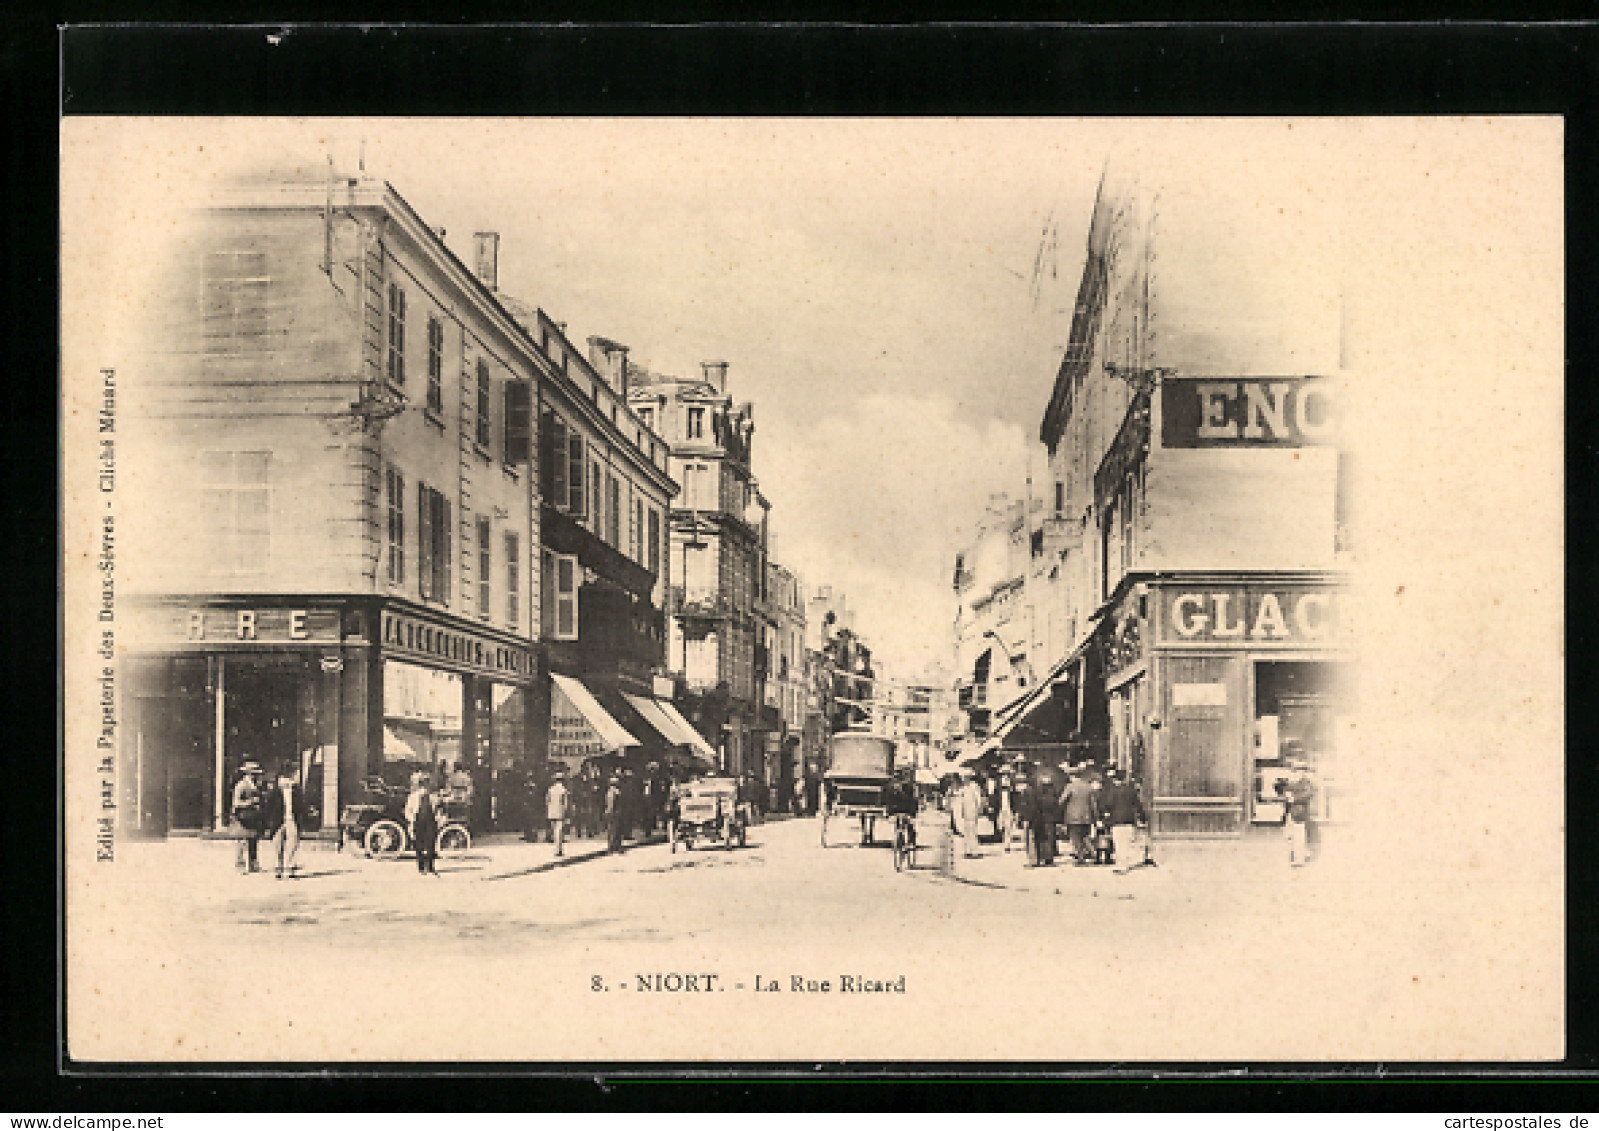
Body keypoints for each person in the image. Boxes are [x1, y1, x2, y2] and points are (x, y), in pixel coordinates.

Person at [260, 762, 308, 880]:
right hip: (278, 821)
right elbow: (268, 808)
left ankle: (289, 868)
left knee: (292, 843)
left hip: (292, 820)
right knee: (278, 845)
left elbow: (301, 806)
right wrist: (268, 823)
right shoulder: (275, 791)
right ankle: (278, 868)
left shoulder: (296, 790)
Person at [1099, 768, 1148, 867]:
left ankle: (1120, 864)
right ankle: (1125, 863)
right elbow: (1138, 805)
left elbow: (1107, 805)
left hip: (1116, 820)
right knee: (1127, 842)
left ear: (1115, 779)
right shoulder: (1131, 791)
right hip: (1129, 819)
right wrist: (1143, 818)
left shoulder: (1112, 791)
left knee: (1118, 843)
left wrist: (1104, 816)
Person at [1278, 761, 1318, 868]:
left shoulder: (1306, 783)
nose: (1296, 772)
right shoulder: (1294, 783)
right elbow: (1283, 790)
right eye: (1295, 770)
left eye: (1298, 770)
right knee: (1291, 835)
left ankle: (1299, 858)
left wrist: (1293, 798)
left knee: (1299, 835)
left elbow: (1308, 794)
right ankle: (1295, 857)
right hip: (1292, 812)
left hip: (1300, 812)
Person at [1060, 766, 1102, 866]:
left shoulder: (1070, 786)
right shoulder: (1088, 786)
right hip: (1087, 817)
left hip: (1073, 817)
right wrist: (1096, 817)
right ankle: (1094, 853)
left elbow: (1062, 800)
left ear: (1072, 776)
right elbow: (1093, 804)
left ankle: (1080, 858)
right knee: (1085, 836)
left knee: (1075, 838)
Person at [231, 761, 264, 873]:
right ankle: (240, 864)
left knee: (253, 840)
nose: (256, 776)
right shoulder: (241, 785)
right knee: (242, 841)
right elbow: (236, 803)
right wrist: (250, 802)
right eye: (254, 773)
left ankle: (253, 864)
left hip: (253, 817)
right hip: (243, 817)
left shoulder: (256, 785)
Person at [406, 774, 439, 876]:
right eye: (423, 785)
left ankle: (430, 867)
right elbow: (408, 810)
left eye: (426, 785)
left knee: (431, 844)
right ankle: (421, 867)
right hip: (418, 820)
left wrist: (438, 818)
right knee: (418, 843)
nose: (425, 788)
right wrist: (412, 820)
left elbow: (438, 810)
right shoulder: (413, 797)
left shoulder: (433, 797)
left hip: (430, 821)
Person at [956, 774, 984, 859]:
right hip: (966, 812)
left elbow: (978, 799)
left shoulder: (974, 787)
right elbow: (960, 800)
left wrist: (978, 810)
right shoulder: (963, 788)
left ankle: (975, 851)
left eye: (966, 777)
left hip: (972, 811)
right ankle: (967, 850)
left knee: (973, 832)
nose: (964, 779)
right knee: (966, 831)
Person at [605, 774, 624, 853]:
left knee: (613, 830)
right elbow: (611, 804)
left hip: (613, 812)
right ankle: (614, 846)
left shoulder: (610, 792)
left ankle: (613, 846)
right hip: (614, 812)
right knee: (614, 830)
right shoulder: (615, 792)